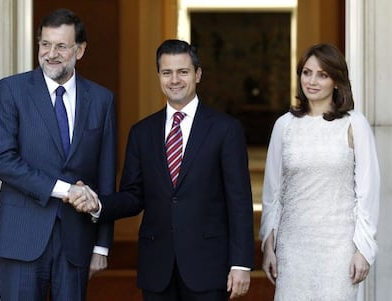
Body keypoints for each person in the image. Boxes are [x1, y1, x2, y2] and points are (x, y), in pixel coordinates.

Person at [68, 39, 255, 300]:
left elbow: (240, 202)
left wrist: (241, 264)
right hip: (157, 267)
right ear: (159, 76)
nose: (174, 79)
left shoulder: (225, 129)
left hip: (208, 266)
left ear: (198, 74)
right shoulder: (142, 132)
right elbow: (133, 196)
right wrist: (97, 204)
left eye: (183, 72)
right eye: (167, 72)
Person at [0, 8, 117, 301]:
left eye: (61, 46)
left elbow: (106, 173)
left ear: (80, 50)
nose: (51, 53)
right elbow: (1, 160)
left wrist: (102, 245)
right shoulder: (11, 91)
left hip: (77, 241)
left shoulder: (101, 100)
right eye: (45, 44)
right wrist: (65, 190)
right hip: (21, 237)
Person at [259, 43, 380, 300]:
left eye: (322, 74)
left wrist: (363, 249)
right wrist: (269, 247)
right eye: (306, 72)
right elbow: (272, 193)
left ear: (337, 81)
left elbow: (367, 193)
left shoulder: (354, 123)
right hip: (292, 249)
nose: (312, 81)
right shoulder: (284, 125)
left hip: (339, 250)